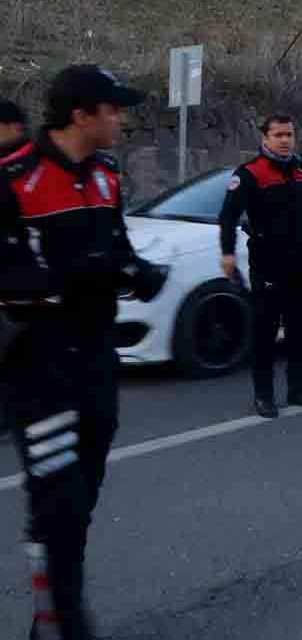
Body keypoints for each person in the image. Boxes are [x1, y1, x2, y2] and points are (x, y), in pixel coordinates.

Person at [0, 65, 167, 639]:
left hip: (97, 363)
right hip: (38, 366)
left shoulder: (106, 175)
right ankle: (65, 626)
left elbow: (114, 250)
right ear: (82, 114)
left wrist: (138, 273)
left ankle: (51, 624)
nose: (121, 119)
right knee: (56, 510)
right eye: (113, 109)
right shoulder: (13, 177)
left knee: (79, 508)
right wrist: (69, 277)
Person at [219, 114, 302, 419]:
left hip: (298, 262)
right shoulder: (251, 173)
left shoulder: (299, 168)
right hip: (267, 263)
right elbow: (228, 215)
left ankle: (297, 388)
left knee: (298, 331)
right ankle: (264, 395)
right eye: (278, 135)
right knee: (265, 333)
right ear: (265, 139)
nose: (284, 140)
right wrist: (227, 252)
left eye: (289, 135)